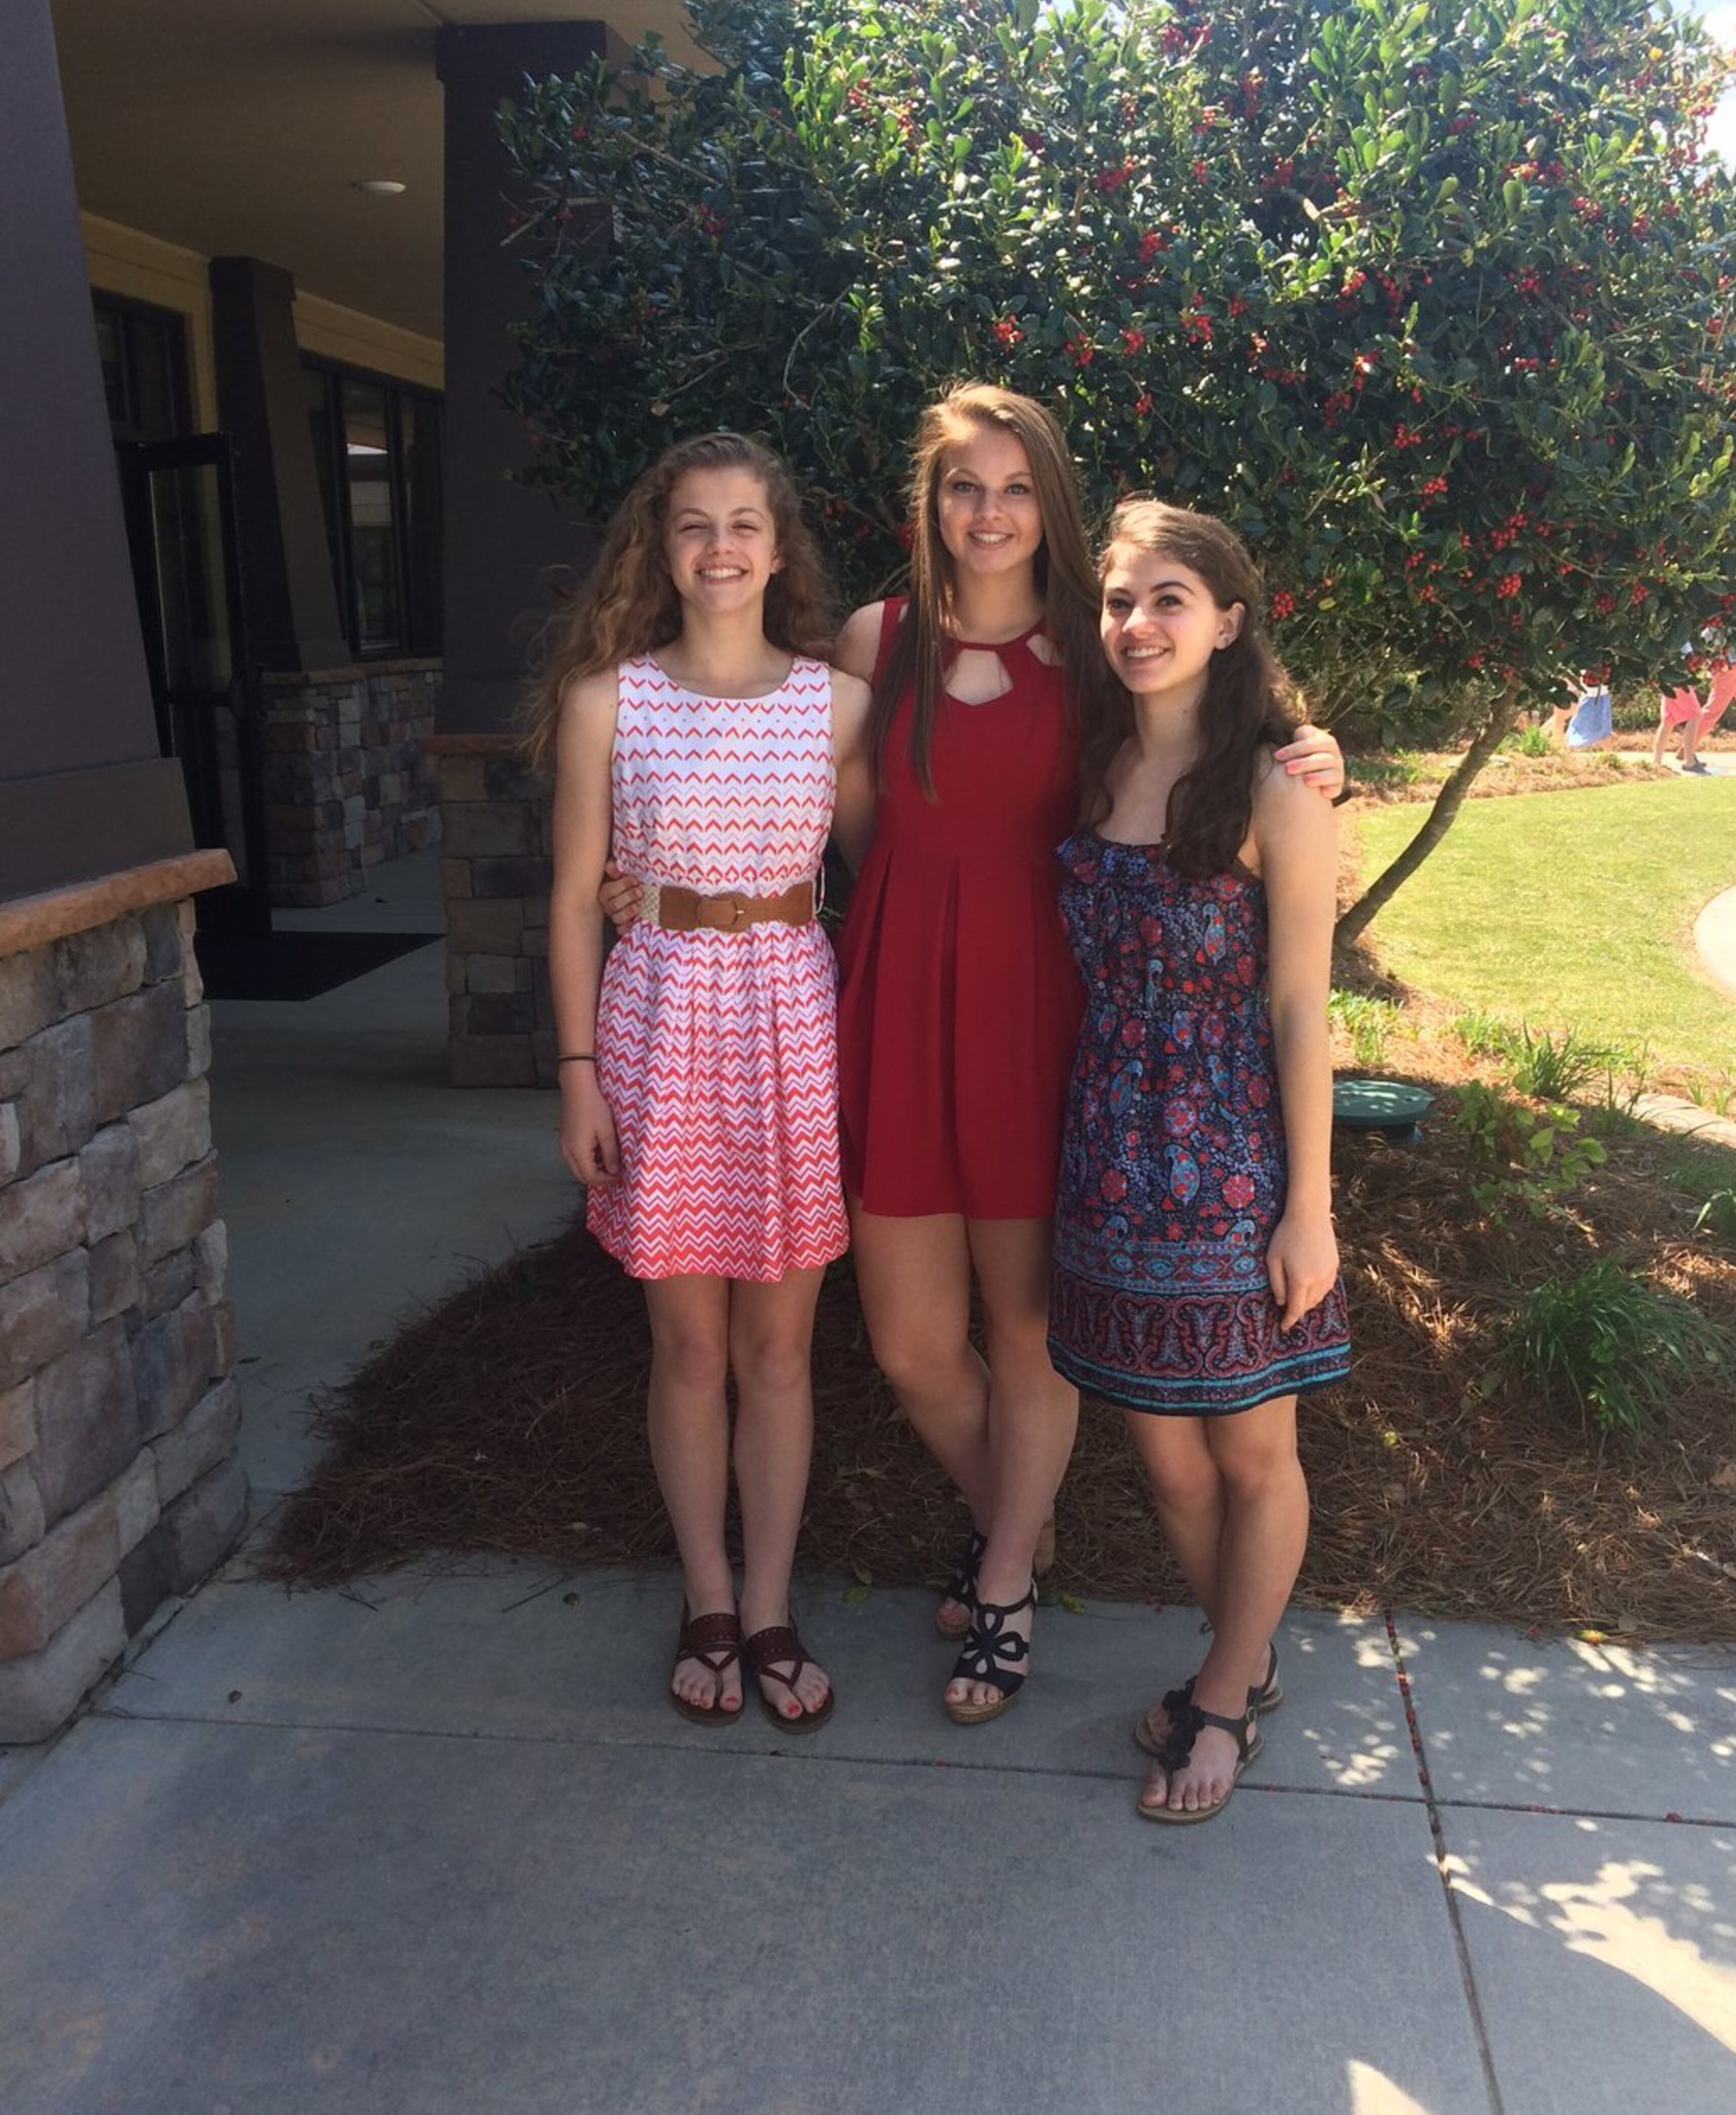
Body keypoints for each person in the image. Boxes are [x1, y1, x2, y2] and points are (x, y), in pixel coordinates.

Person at [604, 386, 1344, 1723]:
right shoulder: (872, 642)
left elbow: (1206, 747)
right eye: (962, 488)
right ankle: (1023, 1515)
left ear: (1047, 505)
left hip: (1047, 1019)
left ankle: (1004, 1581)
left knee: (1027, 1331)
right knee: (907, 1342)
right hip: (894, 997)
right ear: (928, 504)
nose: (988, 513)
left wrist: (1306, 747)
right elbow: (817, 819)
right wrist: (653, 885)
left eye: (1013, 488)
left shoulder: (1097, 645)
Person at [532, 432, 873, 1731]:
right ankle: (709, 1595)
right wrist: (576, 1075)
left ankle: (775, 1601)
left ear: (780, 548)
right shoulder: (606, 702)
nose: (718, 546)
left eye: (744, 523)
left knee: (779, 1349)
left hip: (791, 1022)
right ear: (658, 544)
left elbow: (906, 866)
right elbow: (572, 902)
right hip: (658, 1025)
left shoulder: (834, 700)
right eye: (692, 523)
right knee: (687, 1344)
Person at [1046, 499, 1349, 1823]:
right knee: (1165, 1462)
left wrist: (1311, 1210)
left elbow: (1301, 1010)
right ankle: (1249, 1647)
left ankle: (1223, 1702)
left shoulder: (1283, 789)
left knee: (1253, 1456)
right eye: (1121, 600)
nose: (1139, 624)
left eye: (1171, 598)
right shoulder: (1090, 764)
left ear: (1229, 621)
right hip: (1106, 1161)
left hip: (1229, 1170)